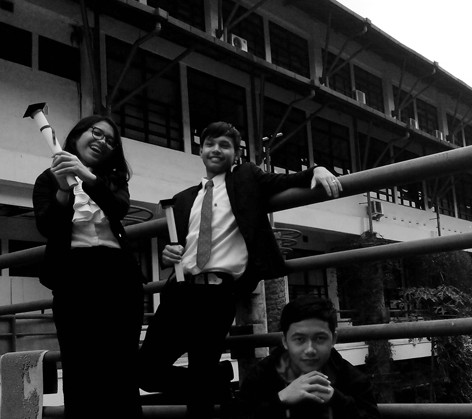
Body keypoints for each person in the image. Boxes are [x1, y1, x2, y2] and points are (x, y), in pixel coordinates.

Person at [138, 121, 342, 418]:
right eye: (210, 144)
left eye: (225, 145)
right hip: (179, 291)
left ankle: (207, 382)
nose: (216, 150)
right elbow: (180, 245)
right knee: (145, 372)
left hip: (218, 295)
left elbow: (285, 181)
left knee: (199, 392)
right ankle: (217, 379)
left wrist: (317, 170)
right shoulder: (183, 199)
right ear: (201, 151)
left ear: (236, 154)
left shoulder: (245, 177)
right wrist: (169, 254)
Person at [33, 115, 145, 419]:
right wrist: (63, 190)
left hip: (120, 277)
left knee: (122, 368)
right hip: (74, 278)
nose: (102, 142)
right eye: (97, 133)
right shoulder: (47, 179)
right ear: (77, 135)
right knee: (80, 368)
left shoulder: (113, 178)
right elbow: (47, 227)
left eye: (110, 140)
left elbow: (118, 207)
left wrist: (86, 176)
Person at [237, 295, 381, 419]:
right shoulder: (262, 376)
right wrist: (280, 399)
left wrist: (336, 399)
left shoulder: (353, 380)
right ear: (285, 341)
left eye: (320, 338)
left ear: (333, 339)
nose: (310, 350)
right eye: (299, 339)